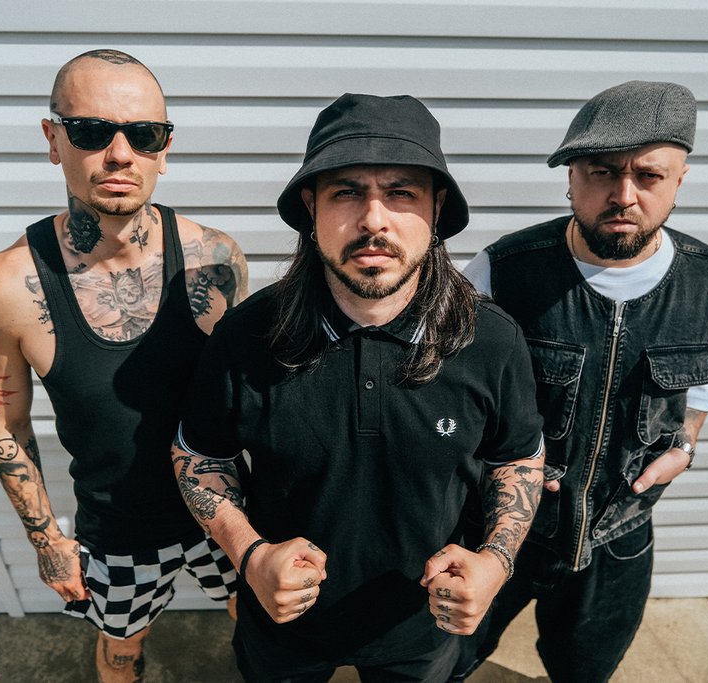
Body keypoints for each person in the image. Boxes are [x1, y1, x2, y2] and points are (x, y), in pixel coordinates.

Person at [170, 93, 546, 681]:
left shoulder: (490, 339)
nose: (374, 220)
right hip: (284, 624)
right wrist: (250, 555)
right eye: (346, 192)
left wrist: (496, 562)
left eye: (402, 193)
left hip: (424, 625)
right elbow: (199, 455)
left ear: (437, 208)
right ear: (310, 207)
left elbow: (517, 457)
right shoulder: (247, 336)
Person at [0, 49, 248, 682]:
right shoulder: (5, 286)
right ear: (53, 139)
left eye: (144, 134)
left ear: (164, 149)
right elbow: (6, 423)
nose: (121, 154)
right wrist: (48, 541)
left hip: (225, 510)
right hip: (118, 531)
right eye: (92, 131)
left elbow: (251, 397)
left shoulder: (216, 260)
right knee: (121, 650)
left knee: (257, 622)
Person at [455, 80, 708, 682]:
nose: (624, 195)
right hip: (497, 527)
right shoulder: (502, 271)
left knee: (585, 670)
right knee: (448, 659)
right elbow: (446, 394)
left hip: (621, 535)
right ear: (571, 177)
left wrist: (685, 446)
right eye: (603, 172)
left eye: (649, 176)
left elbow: (707, 383)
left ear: (680, 181)